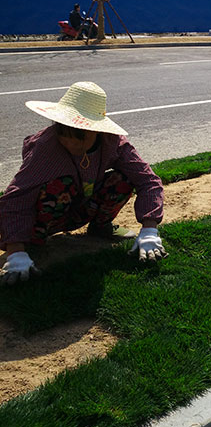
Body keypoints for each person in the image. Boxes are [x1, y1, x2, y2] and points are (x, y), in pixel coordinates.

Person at [0, 82, 167, 285]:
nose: (70, 143)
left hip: (83, 206)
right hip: (46, 217)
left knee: (122, 179)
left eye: (80, 136)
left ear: (97, 131)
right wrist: (15, 250)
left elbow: (148, 180)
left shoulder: (112, 143)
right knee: (59, 186)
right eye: (64, 134)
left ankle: (100, 226)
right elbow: (17, 196)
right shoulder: (45, 147)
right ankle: (33, 242)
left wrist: (150, 230)